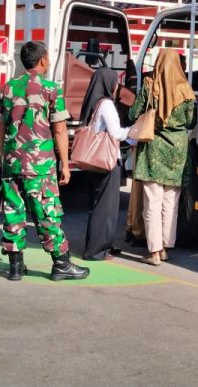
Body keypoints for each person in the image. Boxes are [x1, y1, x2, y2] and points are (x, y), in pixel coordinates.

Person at [0, 41, 89, 282]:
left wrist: (5, 157)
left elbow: (1, 127)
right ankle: (61, 263)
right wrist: (65, 164)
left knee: (13, 212)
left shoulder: (8, 88)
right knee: (47, 212)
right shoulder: (50, 89)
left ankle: (15, 267)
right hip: (40, 166)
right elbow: (59, 130)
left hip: (12, 163)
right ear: (43, 61)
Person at [129, 49, 196, 266]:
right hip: (177, 151)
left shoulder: (150, 86)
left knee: (152, 204)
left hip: (153, 149)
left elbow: (133, 114)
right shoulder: (186, 90)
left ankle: (154, 252)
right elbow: (191, 122)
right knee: (171, 203)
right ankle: (166, 247)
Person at [78, 67, 134, 260]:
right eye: (116, 82)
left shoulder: (92, 102)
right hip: (108, 162)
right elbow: (117, 133)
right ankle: (97, 250)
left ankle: (99, 245)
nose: (117, 86)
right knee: (106, 207)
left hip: (94, 161)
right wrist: (136, 131)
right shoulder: (107, 104)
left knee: (97, 204)